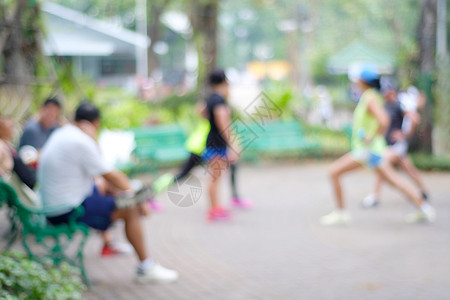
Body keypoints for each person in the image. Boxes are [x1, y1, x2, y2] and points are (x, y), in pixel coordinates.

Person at [38, 102, 178, 283]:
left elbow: (103, 176)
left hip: (55, 204)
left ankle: (109, 243)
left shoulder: (63, 133)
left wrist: (128, 192)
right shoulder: (80, 141)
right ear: (95, 123)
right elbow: (110, 173)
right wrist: (137, 199)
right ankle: (146, 267)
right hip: (66, 211)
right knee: (131, 209)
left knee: (107, 188)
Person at [320, 66, 435, 226]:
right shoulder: (370, 96)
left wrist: (371, 137)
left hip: (366, 150)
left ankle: (341, 212)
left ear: (363, 81)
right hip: (372, 150)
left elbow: (384, 120)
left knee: (333, 172)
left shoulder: (369, 98)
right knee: (393, 181)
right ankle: (424, 208)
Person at [150, 103, 252, 211]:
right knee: (181, 175)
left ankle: (235, 197)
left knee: (233, 166)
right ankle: (151, 192)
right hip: (199, 150)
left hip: (203, 149)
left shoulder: (210, 119)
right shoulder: (213, 121)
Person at [362, 83, 428, 208]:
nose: (386, 94)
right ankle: (423, 191)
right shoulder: (384, 105)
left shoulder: (398, 106)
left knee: (381, 164)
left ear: (393, 92)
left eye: (389, 91)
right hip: (388, 145)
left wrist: (405, 134)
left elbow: (414, 119)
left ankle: (375, 196)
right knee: (409, 169)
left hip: (397, 145)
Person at [202, 69, 240, 221]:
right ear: (224, 82)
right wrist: (233, 145)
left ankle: (215, 207)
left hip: (212, 141)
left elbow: (202, 113)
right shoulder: (219, 100)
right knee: (215, 178)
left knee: (214, 177)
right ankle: (214, 209)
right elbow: (224, 123)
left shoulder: (210, 98)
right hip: (217, 144)